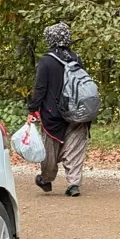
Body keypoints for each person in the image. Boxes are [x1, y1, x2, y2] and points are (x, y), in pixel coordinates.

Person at [28, 23, 90, 197]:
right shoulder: (76, 58)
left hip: (52, 114)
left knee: (50, 150)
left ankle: (46, 179)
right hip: (78, 112)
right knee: (75, 148)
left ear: (50, 39)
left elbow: (40, 88)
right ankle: (73, 184)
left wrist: (33, 110)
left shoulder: (46, 61)